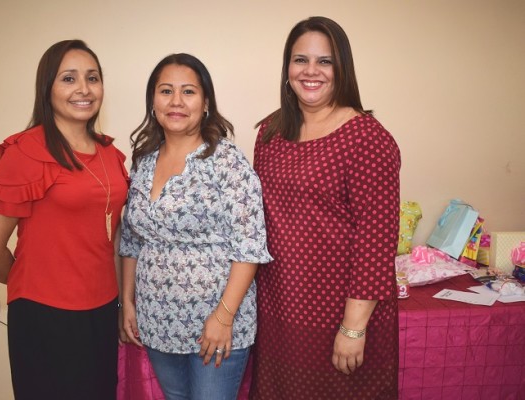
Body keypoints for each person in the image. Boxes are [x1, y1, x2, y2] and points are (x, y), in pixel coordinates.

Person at [250, 16, 401, 399]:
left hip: (342, 315)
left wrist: (353, 328)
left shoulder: (367, 139)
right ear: (287, 70)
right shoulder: (269, 133)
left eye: (325, 61)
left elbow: (376, 242)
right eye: (301, 60)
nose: (311, 71)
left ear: (341, 69)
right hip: (278, 311)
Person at [119, 53, 272, 400]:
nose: (176, 102)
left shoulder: (226, 161)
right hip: (156, 319)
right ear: (153, 101)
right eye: (166, 91)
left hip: (216, 323)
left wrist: (223, 317)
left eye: (188, 92)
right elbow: (131, 240)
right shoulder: (143, 161)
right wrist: (127, 302)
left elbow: (249, 246)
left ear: (205, 103)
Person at [0, 39, 129, 400]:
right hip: (44, 314)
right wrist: (33, 282)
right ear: (47, 88)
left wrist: (120, 301)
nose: (84, 89)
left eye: (92, 78)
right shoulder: (26, 152)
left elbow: (113, 237)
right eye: (68, 79)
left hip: (102, 309)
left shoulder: (111, 155)